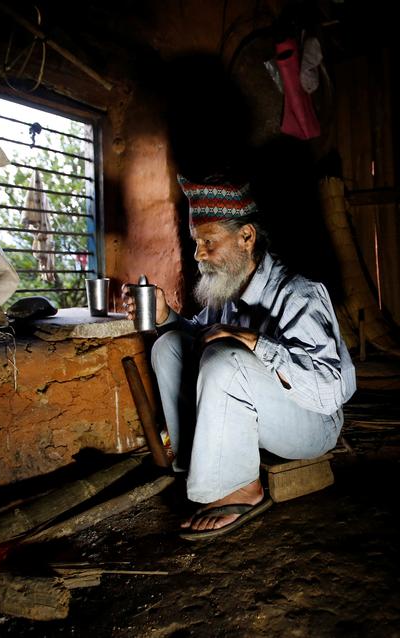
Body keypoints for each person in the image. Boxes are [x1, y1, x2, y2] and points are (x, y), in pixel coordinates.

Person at [122, 175, 355, 540]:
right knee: (168, 346)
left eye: (209, 242)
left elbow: (330, 393)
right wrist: (166, 315)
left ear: (246, 237)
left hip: (313, 426)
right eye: (196, 243)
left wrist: (255, 343)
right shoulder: (225, 292)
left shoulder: (299, 293)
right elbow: (195, 340)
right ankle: (200, 467)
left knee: (224, 357)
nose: (199, 254)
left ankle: (243, 487)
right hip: (265, 420)